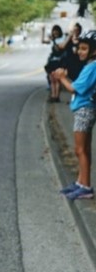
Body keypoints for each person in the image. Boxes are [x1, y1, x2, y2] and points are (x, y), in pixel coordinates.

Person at [53, 30, 96, 200]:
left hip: (84, 111)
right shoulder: (91, 66)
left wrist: (62, 77)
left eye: (84, 49)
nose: (80, 51)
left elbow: (74, 88)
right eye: (79, 48)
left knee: (80, 150)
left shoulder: (92, 67)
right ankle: (80, 182)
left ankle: (85, 186)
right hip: (87, 109)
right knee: (84, 149)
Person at [43, 24, 69, 103]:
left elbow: (60, 48)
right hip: (52, 62)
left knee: (57, 80)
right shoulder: (52, 39)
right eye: (54, 32)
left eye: (56, 32)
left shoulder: (62, 39)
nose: (55, 34)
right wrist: (43, 31)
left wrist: (54, 40)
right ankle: (53, 95)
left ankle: (57, 96)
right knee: (52, 79)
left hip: (59, 61)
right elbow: (43, 41)